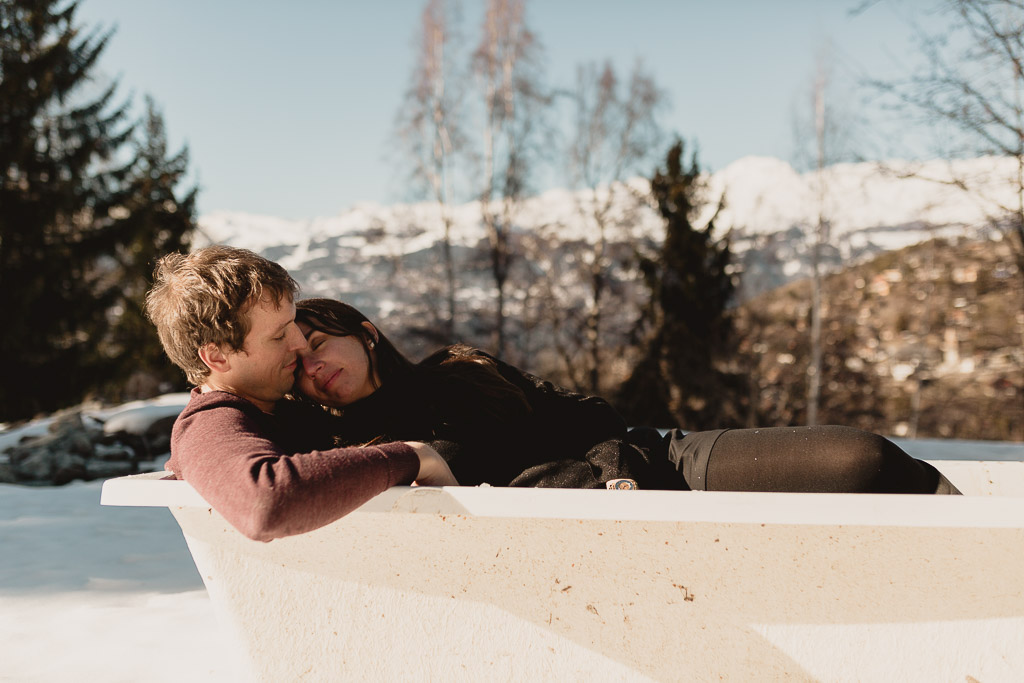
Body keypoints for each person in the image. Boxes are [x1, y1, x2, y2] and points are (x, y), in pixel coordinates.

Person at [293, 297, 961, 495]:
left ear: (367, 331)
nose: (315, 367)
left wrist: (616, 467)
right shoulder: (351, 448)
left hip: (663, 467)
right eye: (299, 362)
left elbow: (588, 414)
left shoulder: (458, 368)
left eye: (321, 343)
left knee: (862, 458)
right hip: (596, 545)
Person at [144, 246, 458, 542]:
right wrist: (414, 457)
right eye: (279, 335)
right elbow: (266, 504)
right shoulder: (209, 426)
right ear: (217, 357)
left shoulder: (283, 410)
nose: (299, 343)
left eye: (292, 323)